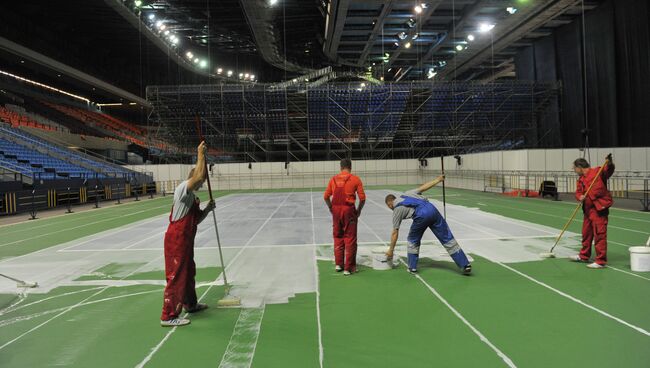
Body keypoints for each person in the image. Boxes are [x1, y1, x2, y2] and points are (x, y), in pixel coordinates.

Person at [160, 141, 216, 327]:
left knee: (188, 272)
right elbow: (199, 176)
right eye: (201, 179)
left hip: (185, 240)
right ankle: (168, 315)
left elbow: (195, 220)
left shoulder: (193, 198)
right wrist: (200, 153)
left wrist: (207, 209)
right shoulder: (183, 189)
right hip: (176, 241)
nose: (203, 182)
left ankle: (190, 304)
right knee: (176, 275)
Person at [384, 176, 471, 275]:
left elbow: (395, 232)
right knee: (447, 238)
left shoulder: (396, 209)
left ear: (389, 204)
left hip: (421, 215)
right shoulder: (407, 193)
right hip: (432, 209)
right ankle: (465, 264)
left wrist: (391, 250)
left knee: (413, 239)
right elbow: (423, 187)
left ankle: (412, 267)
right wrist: (438, 180)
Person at [571, 154, 615, 269]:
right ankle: (584, 255)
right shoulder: (580, 180)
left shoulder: (597, 172)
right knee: (586, 233)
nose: (574, 171)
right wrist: (579, 197)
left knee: (599, 234)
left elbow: (608, 170)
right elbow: (578, 192)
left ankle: (600, 261)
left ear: (580, 167)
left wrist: (609, 163)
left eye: (574, 168)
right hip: (587, 210)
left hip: (599, 210)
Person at [324, 158, 366, 275]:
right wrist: (358, 210)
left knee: (338, 237)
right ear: (350, 167)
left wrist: (331, 208)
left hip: (336, 211)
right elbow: (362, 198)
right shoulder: (355, 179)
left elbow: (326, 197)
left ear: (341, 167)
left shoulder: (333, 179)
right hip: (349, 211)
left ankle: (339, 264)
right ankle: (349, 268)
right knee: (350, 238)